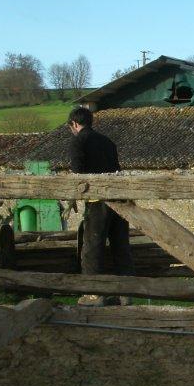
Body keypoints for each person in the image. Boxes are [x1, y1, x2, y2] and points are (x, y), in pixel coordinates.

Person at [67, 107, 134, 305]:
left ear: (75, 123)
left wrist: (72, 196)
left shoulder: (78, 141)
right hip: (119, 199)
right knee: (121, 246)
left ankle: (93, 294)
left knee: (92, 247)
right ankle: (127, 293)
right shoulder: (108, 141)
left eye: (70, 126)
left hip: (97, 200)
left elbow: (78, 174)